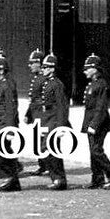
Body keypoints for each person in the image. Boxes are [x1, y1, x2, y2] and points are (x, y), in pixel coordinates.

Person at [81, 54, 110, 190]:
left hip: (99, 124)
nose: (85, 71)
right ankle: (97, 179)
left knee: (96, 151)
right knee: (93, 152)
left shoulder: (101, 84)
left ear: (95, 69)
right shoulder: (93, 83)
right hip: (91, 123)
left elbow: (101, 108)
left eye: (87, 69)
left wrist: (94, 125)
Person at [0, 56, 21, 191]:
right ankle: (13, 179)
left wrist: (10, 129)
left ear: (1, 71)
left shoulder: (6, 85)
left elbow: (10, 108)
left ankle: (10, 177)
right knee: (1, 150)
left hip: (4, 124)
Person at [39, 54, 69, 190]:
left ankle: (59, 179)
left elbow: (62, 106)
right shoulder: (48, 83)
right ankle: (56, 178)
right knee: (46, 149)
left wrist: (61, 127)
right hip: (48, 120)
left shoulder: (57, 84)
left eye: (45, 67)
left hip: (54, 121)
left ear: (52, 69)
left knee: (51, 149)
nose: (43, 69)